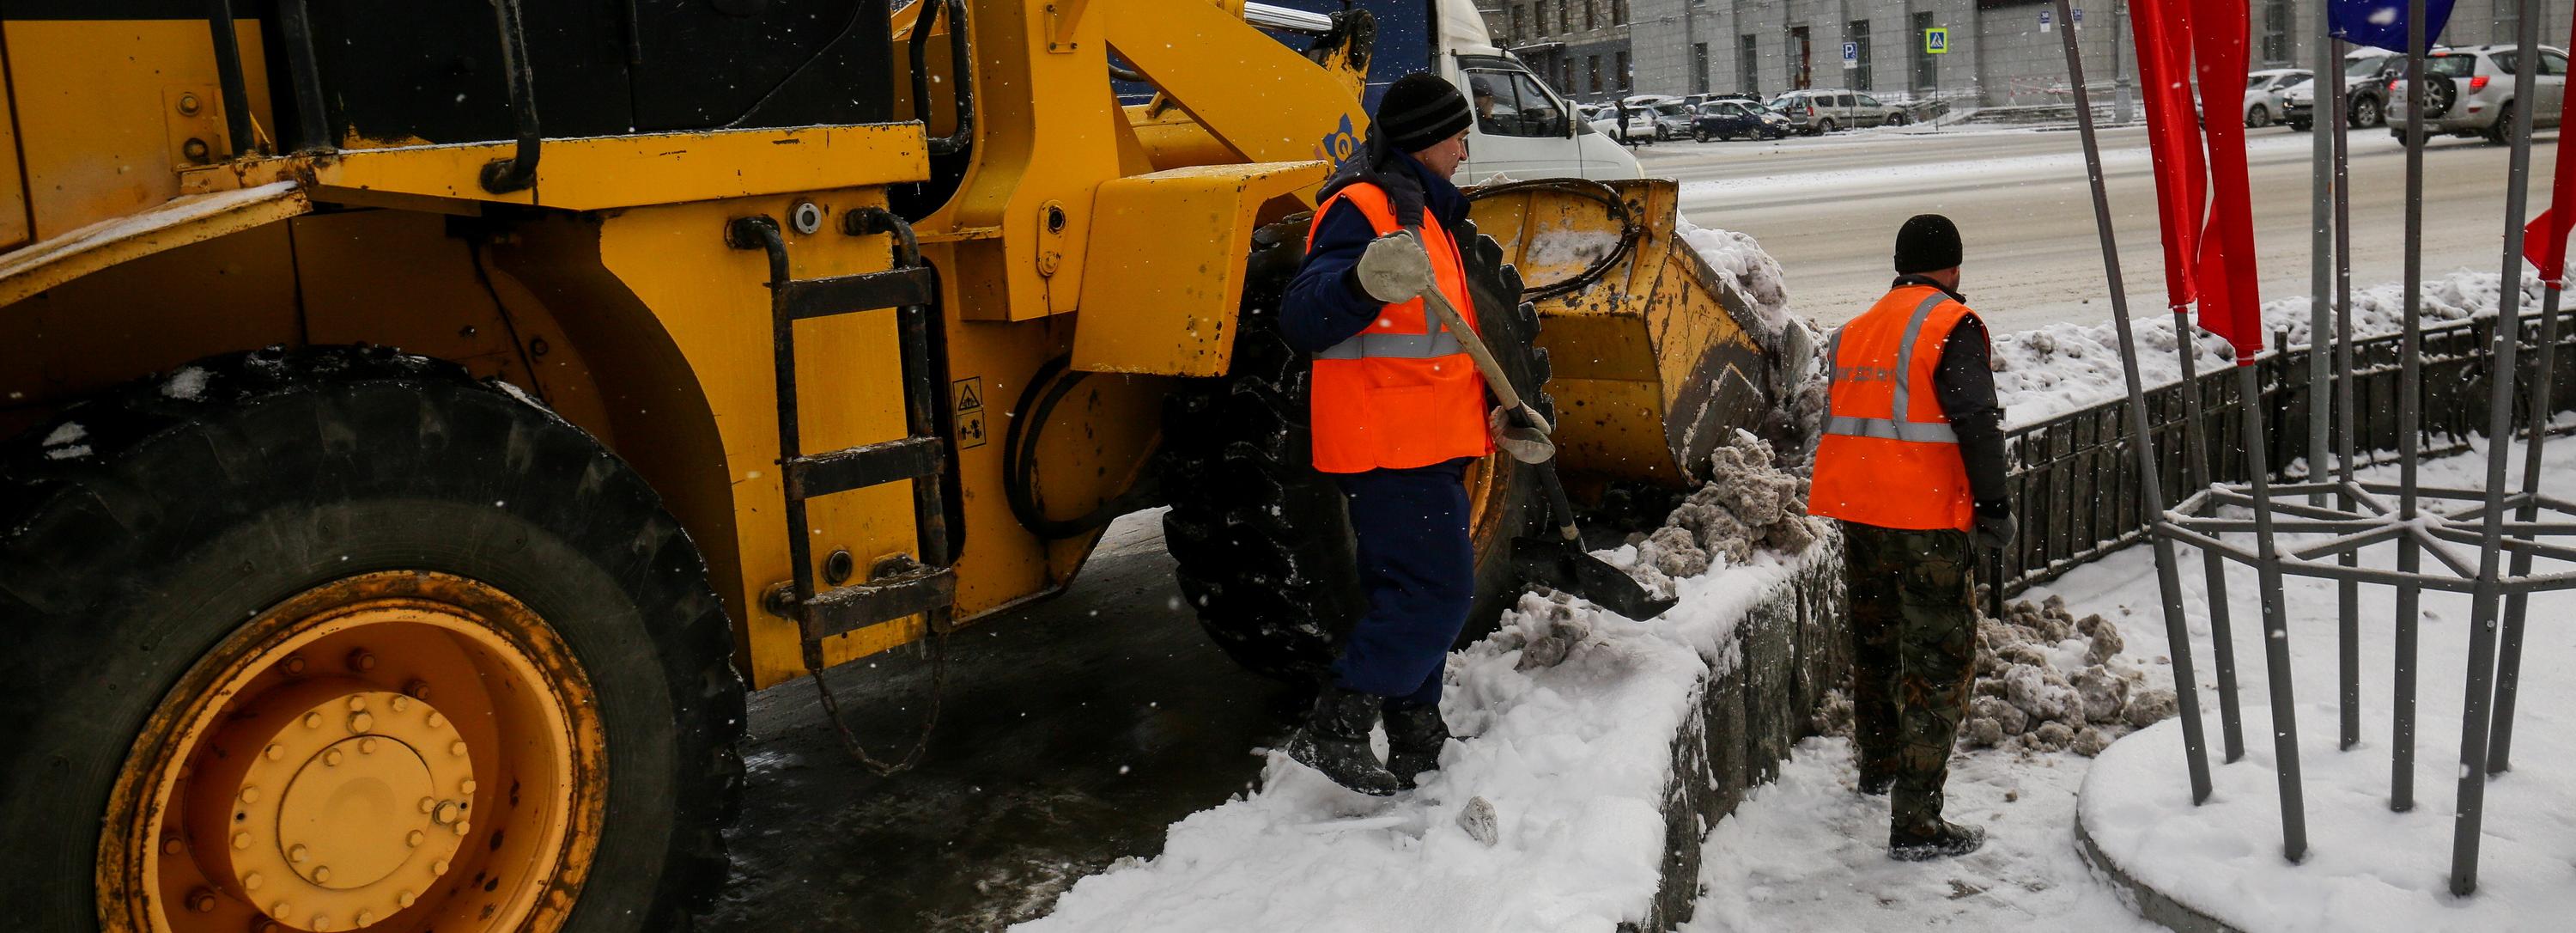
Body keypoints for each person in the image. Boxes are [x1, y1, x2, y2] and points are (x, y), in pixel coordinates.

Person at [1275, 73, 1489, 796]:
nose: (1465, 149)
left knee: (1406, 592)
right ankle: (1338, 721)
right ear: (1426, 141)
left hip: (1425, 440)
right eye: (1457, 136)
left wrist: (1496, 414)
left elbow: (1442, 346)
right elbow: (1304, 315)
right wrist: (1361, 284)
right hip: (1389, 446)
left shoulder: (1424, 214)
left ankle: (1415, 731)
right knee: (1440, 594)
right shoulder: (1363, 208)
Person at [1807, 214, 2014, 861]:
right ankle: (1917, 822)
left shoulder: (1854, 330)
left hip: (1861, 514)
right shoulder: (1952, 324)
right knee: (1939, 665)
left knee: (1877, 645)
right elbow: (1976, 419)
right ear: (1953, 267)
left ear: (1900, 265)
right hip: (1926, 521)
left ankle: (1879, 767)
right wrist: (1994, 506)